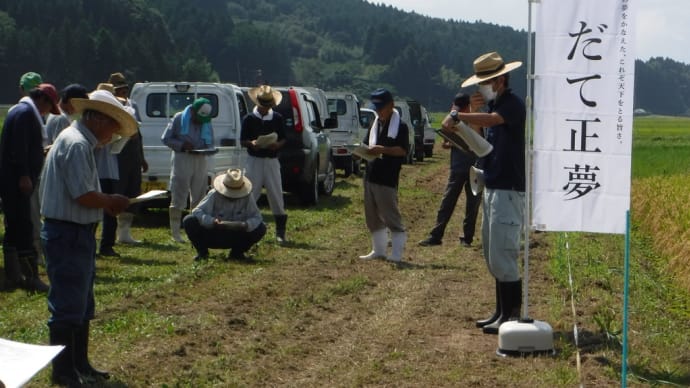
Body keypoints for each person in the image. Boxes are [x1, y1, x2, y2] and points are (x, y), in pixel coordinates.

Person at [40, 89, 136, 385]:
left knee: (81, 303)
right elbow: (82, 194)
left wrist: (105, 202)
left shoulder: (79, 142)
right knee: (69, 303)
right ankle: (64, 371)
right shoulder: (77, 144)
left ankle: (79, 364)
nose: (113, 134)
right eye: (112, 127)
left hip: (76, 232)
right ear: (96, 119)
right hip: (67, 232)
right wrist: (110, 201)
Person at [447, 51, 526, 334]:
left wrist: (460, 115)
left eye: (486, 82)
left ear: (500, 80)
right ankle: (500, 313)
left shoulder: (512, 105)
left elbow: (493, 121)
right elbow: (483, 141)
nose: (482, 88)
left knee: (504, 254)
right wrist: (464, 124)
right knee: (493, 254)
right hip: (492, 185)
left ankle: (512, 317)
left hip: (508, 189)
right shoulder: (495, 107)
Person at [0, 83, 59, 292]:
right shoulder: (26, 114)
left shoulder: (18, 110)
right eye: (47, 107)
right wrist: (25, 174)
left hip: (11, 180)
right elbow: (20, 148)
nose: (46, 113)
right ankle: (30, 277)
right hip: (19, 181)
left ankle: (13, 275)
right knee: (24, 227)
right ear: (42, 99)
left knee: (14, 226)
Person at [418, 93, 481, 248]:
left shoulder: (477, 119)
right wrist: (451, 143)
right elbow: (445, 144)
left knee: (472, 205)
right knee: (447, 202)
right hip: (457, 167)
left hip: (475, 167)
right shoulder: (453, 119)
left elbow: (480, 139)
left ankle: (467, 238)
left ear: (467, 106)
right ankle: (436, 235)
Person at [357, 88, 410, 263]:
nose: (379, 111)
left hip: (387, 177)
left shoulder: (400, 126)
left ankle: (396, 253)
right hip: (371, 175)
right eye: (377, 108)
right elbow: (366, 144)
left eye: (381, 107)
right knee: (372, 216)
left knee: (391, 216)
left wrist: (383, 150)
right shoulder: (375, 124)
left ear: (391, 106)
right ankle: (378, 250)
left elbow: (402, 150)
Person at [183, 168, 266, 261]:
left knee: (261, 228)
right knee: (189, 220)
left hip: (237, 236)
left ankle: (237, 253)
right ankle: (202, 252)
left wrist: (246, 225)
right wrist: (212, 221)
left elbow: (257, 217)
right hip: (213, 234)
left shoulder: (247, 197)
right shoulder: (214, 194)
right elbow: (197, 211)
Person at [162, 97, 215, 242]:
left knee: (199, 194)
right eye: (198, 117)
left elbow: (211, 142)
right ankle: (175, 233)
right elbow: (166, 138)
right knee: (179, 193)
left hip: (200, 159)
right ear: (192, 111)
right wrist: (182, 145)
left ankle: (194, 229)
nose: (199, 122)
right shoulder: (179, 118)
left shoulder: (207, 121)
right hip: (182, 158)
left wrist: (208, 149)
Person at [241, 85, 289, 244]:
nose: (265, 109)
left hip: (271, 160)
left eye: (267, 106)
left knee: (275, 193)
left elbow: (283, 138)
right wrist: (252, 143)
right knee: (251, 193)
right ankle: (249, 228)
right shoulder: (249, 118)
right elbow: (242, 140)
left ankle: (280, 232)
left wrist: (277, 145)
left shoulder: (277, 118)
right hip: (254, 159)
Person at [109, 72, 148, 244]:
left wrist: (142, 157)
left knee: (133, 191)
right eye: (119, 89)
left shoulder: (133, 105)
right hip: (118, 154)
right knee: (119, 189)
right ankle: (115, 231)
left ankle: (125, 232)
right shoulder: (110, 107)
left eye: (125, 89)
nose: (123, 92)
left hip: (133, 154)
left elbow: (138, 133)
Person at [93, 83, 122, 257]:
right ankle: (98, 244)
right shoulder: (96, 123)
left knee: (110, 209)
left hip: (110, 169)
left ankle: (107, 244)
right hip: (98, 170)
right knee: (96, 208)